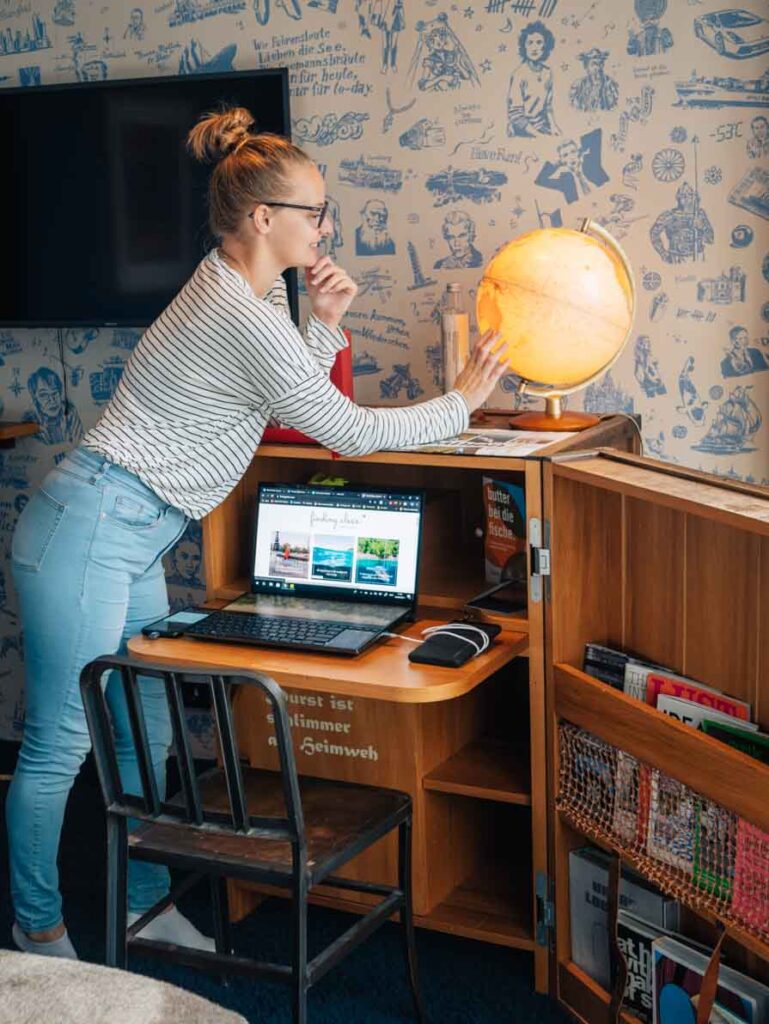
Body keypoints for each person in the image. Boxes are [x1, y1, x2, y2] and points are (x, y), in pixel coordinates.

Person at [7, 105, 507, 961]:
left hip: (134, 528)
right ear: (264, 218)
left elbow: (272, 394)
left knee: (150, 727)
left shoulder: (246, 291)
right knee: (60, 744)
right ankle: (37, 926)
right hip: (92, 524)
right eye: (315, 212)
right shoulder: (235, 308)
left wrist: (321, 325)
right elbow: (343, 431)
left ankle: (148, 902)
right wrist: (463, 399)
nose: (326, 226)